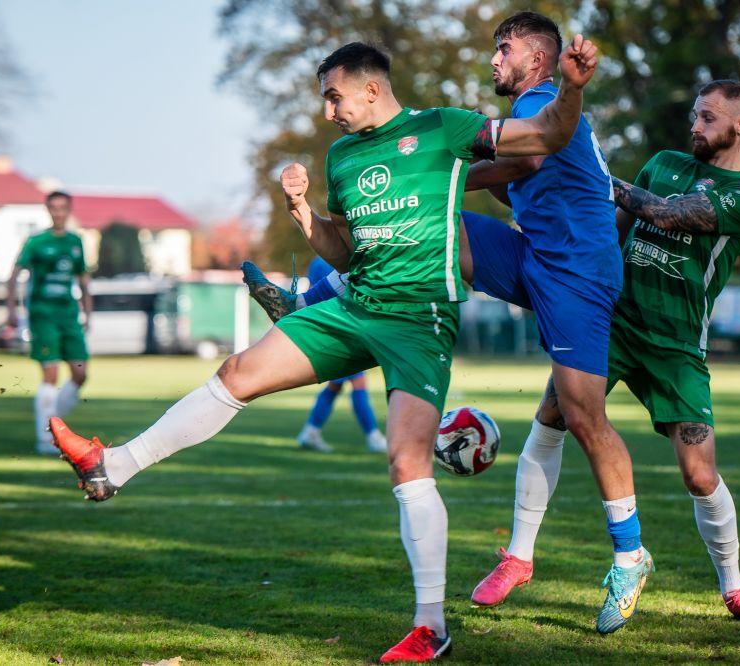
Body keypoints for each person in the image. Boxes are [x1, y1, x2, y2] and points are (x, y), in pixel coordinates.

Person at [49, 38, 600, 663]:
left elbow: (548, 135)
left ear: (371, 88)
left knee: (406, 465)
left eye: (334, 97)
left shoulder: (442, 129)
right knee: (238, 372)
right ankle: (111, 466)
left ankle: (431, 626)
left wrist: (574, 87)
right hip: (355, 307)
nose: (329, 111)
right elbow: (345, 254)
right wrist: (302, 211)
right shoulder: (340, 158)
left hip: (419, 321)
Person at [243, 12, 650, 635]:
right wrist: (436, 182)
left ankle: (630, 553)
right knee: (437, 234)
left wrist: (436, 175)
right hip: (533, 252)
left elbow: (526, 165)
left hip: (576, 271)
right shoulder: (534, 101)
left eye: (504, 49)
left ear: (537, 59)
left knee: (581, 414)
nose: (494, 60)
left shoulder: (544, 97)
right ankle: (311, 298)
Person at [494, 79, 740, 625]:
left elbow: (666, 214)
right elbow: (614, 231)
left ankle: (736, 588)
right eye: (694, 116)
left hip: (678, 348)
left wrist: (595, 178)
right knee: (552, 418)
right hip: (615, 325)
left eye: (707, 118)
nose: (695, 126)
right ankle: (518, 555)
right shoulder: (663, 163)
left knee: (700, 476)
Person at [5, 190, 91, 454]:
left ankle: (53, 420)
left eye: (63, 207)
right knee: (51, 374)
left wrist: (88, 312)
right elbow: (14, 276)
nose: (58, 212)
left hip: (69, 316)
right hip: (43, 315)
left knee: (80, 373)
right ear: (48, 210)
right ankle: (47, 439)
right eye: (53, 207)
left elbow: (83, 281)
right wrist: (11, 308)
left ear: (69, 209)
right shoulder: (36, 242)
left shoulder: (76, 242)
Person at [294, 257, 387, 453]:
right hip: (343, 328)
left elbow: (312, 296)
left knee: (336, 385)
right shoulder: (348, 255)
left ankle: (311, 431)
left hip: (328, 328)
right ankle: (373, 436)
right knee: (357, 382)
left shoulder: (317, 262)